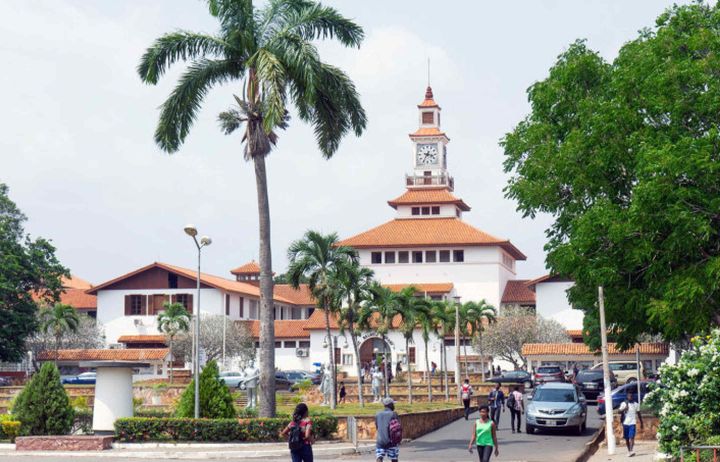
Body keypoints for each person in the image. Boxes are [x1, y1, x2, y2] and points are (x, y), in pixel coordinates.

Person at [619, 391, 643, 457]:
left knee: (632, 437)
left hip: (632, 423)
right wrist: (624, 408)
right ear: (627, 397)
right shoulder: (624, 403)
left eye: (631, 396)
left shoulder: (636, 404)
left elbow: (639, 414)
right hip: (625, 423)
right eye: (629, 396)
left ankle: (631, 450)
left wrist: (641, 423)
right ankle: (629, 451)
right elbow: (619, 411)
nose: (630, 397)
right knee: (627, 438)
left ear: (633, 397)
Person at [375, 397, 400, 462]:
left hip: (380, 441)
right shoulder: (394, 414)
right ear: (390, 405)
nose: (394, 406)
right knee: (394, 458)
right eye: (393, 404)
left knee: (379, 457)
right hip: (392, 441)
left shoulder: (378, 414)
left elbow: (377, 426)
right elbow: (397, 427)